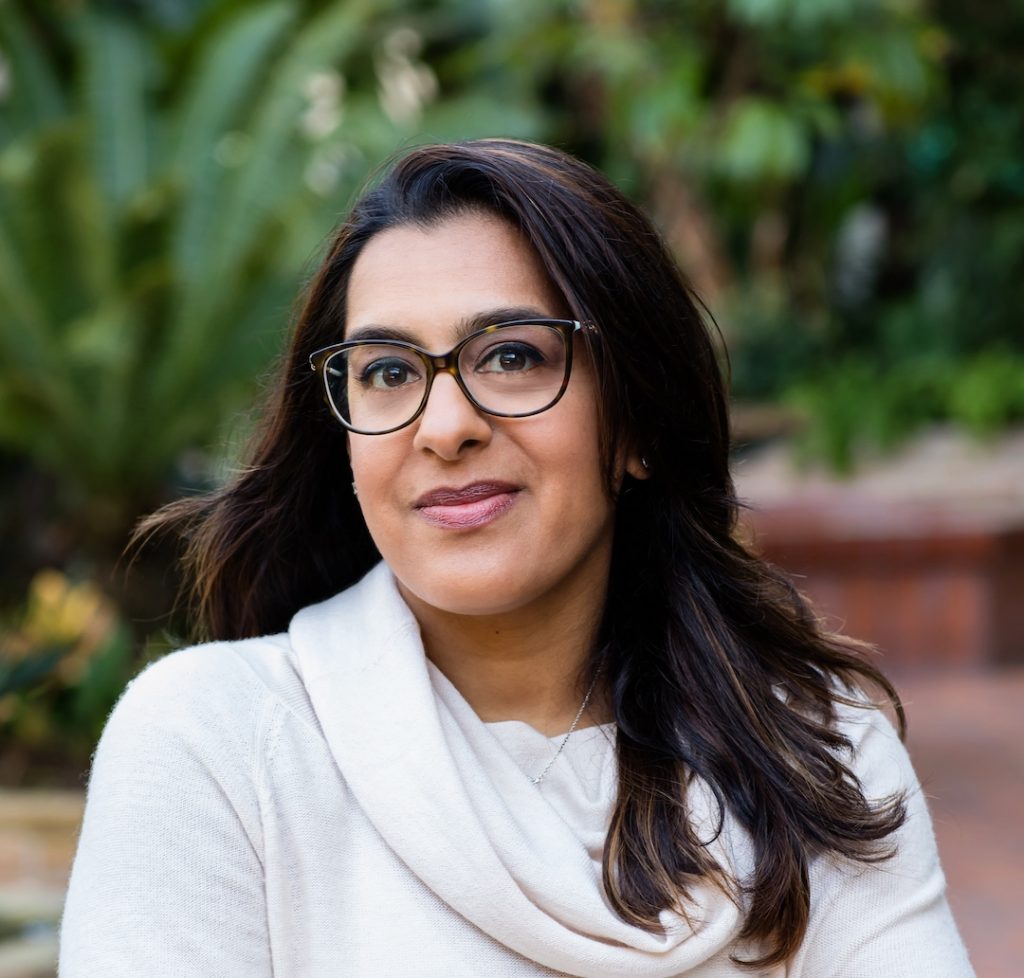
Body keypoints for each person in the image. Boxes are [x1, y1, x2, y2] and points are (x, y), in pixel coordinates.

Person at [58, 139, 973, 977]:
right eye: (386, 371)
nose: (445, 426)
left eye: (510, 356)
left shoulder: (817, 755)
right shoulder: (219, 747)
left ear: (637, 425)